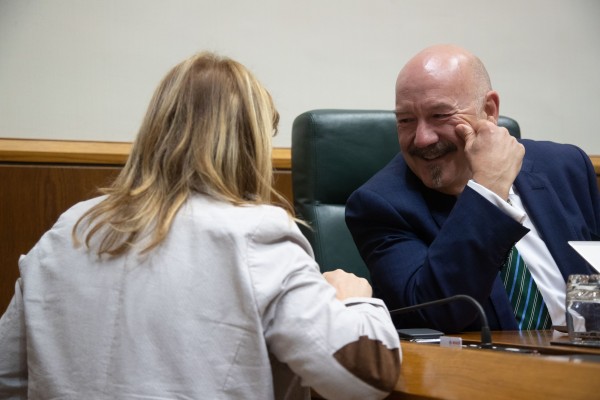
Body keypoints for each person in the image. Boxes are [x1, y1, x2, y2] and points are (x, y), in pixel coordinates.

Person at [0, 52, 401, 399]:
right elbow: (363, 379)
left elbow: (8, 378)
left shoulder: (70, 229)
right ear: (251, 142)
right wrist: (355, 299)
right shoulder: (255, 234)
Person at [346, 44, 600, 333]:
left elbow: (593, 281)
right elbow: (437, 313)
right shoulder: (380, 205)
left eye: (440, 115)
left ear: (489, 110)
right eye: (405, 120)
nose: (422, 138)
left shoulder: (565, 168)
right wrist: (488, 191)